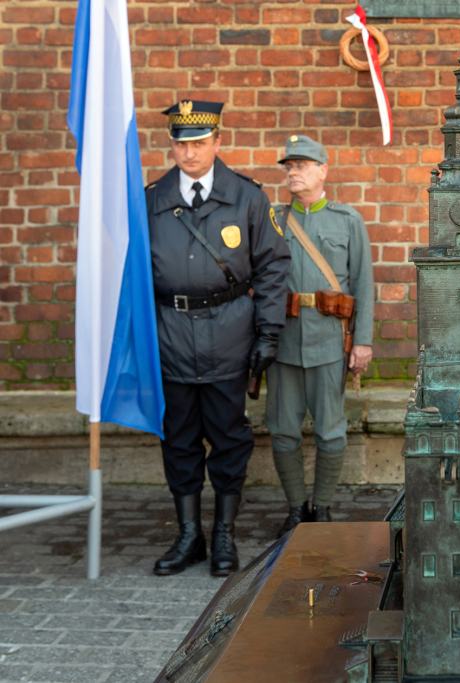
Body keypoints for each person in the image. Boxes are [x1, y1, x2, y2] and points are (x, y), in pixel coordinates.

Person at [146, 100, 290, 576]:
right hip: (169, 335)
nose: (189, 153)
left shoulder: (246, 197)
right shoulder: (151, 199)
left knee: (229, 438)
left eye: (199, 143)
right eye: (181, 143)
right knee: (179, 438)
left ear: (218, 142)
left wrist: (268, 332)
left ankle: (224, 535)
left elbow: (272, 267)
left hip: (229, 333)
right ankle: (189, 536)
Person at [265, 135, 375, 537]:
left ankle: (323, 507)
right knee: (282, 430)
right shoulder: (273, 219)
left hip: (329, 341)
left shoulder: (347, 220)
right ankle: (296, 508)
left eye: (302, 165)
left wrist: (362, 341)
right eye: (289, 166)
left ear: (323, 170)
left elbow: (363, 285)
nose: (293, 172)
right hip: (283, 341)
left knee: (331, 430)